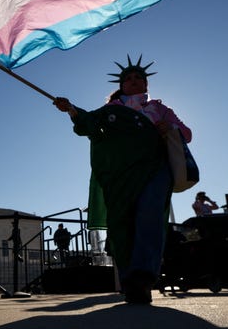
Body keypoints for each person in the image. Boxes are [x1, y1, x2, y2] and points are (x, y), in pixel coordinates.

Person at [54, 55, 192, 304]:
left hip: (154, 169)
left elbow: (187, 134)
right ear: (121, 85)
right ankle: (130, 280)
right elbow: (88, 123)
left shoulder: (161, 109)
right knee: (123, 224)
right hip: (120, 174)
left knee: (150, 215)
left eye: (139, 77)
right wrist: (71, 109)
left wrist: (169, 128)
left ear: (146, 84)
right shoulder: (110, 111)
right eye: (128, 79)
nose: (134, 81)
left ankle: (143, 277)